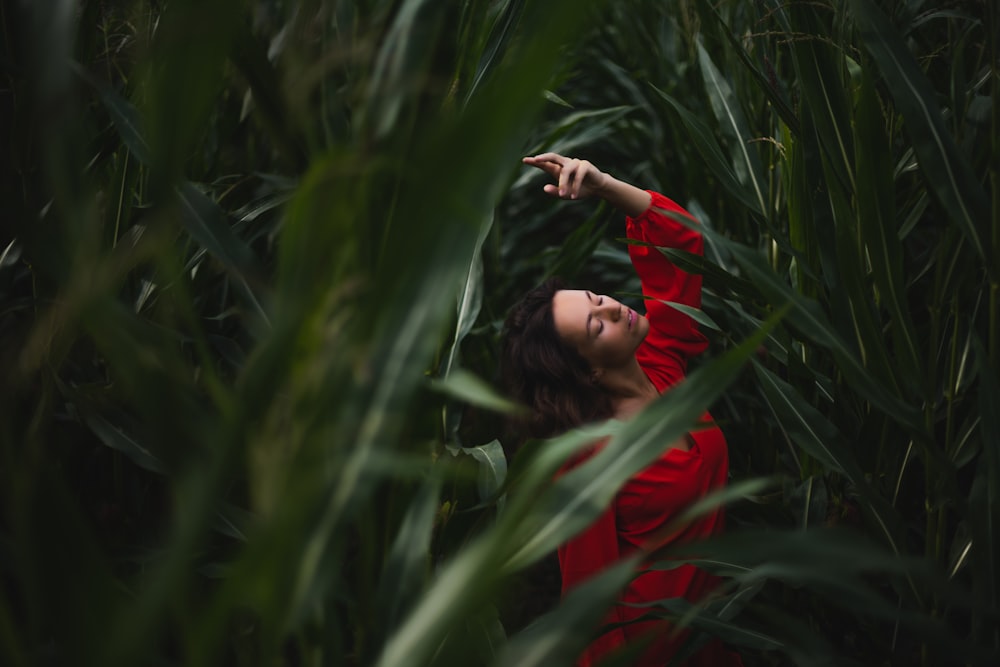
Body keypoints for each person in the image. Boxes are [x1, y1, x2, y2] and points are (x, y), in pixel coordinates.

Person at [501, 153, 743, 666]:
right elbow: (589, 603)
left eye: (594, 297)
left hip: (710, 641)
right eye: (596, 325)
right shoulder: (589, 461)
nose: (612, 306)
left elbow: (681, 243)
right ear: (587, 372)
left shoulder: (660, 365)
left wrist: (607, 185)